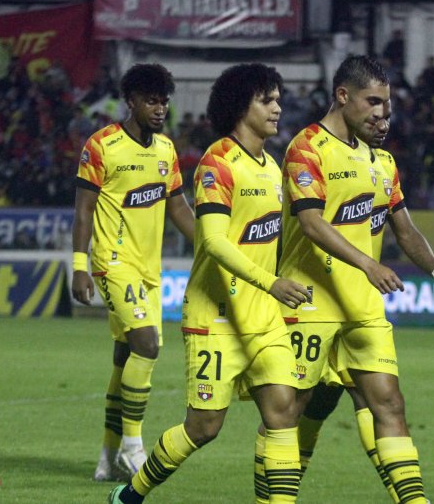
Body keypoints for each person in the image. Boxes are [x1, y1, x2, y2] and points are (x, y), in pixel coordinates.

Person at [109, 63, 311, 503]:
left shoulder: (272, 167)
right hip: (214, 320)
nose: (278, 107)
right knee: (204, 427)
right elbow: (214, 242)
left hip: (264, 320)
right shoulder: (216, 163)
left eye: (278, 99)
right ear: (242, 106)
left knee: (282, 413)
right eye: (267, 100)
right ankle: (132, 492)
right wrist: (271, 282)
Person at [279, 112, 434, 503]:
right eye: (374, 105)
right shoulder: (307, 147)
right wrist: (368, 264)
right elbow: (311, 223)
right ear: (344, 97)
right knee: (290, 412)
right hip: (310, 303)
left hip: (363, 307)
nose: (384, 120)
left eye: (389, 111)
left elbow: (405, 229)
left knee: (388, 402)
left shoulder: (384, 163)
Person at [71, 64, 196, 481]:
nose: (159, 109)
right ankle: (132, 447)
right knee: (148, 344)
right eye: (150, 100)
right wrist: (79, 266)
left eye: (163, 101)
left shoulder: (165, 149)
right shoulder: (102, 145)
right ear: (131, 101)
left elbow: (178, 205)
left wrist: (212, 244)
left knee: (125, 358)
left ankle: (107, 458)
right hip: (112, 263)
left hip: (148, 270)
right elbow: (84, 211)